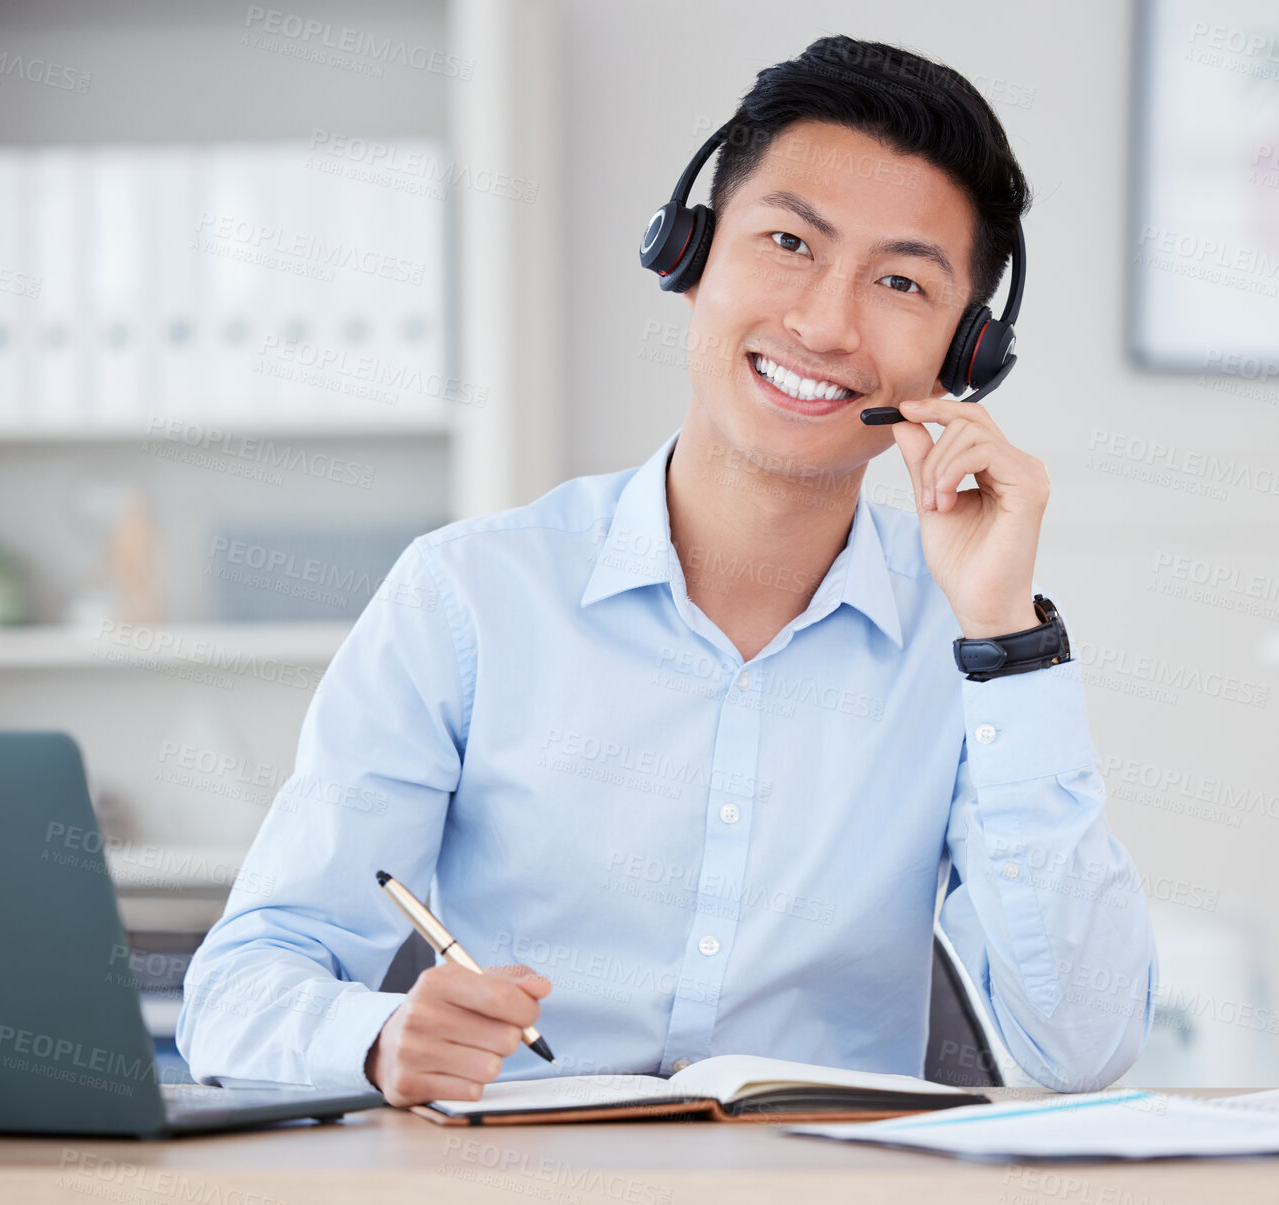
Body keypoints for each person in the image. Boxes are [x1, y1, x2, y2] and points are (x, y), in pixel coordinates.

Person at [178, 34, 1157, 1106]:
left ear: (966, 356)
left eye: (899, 281)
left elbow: (1085, 1045)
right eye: (788, 241)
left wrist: (1006, 637)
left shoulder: (964, 640)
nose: (825, 322)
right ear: (686, 254)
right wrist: (375, 1037)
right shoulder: (469, 595)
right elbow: (235, 990)